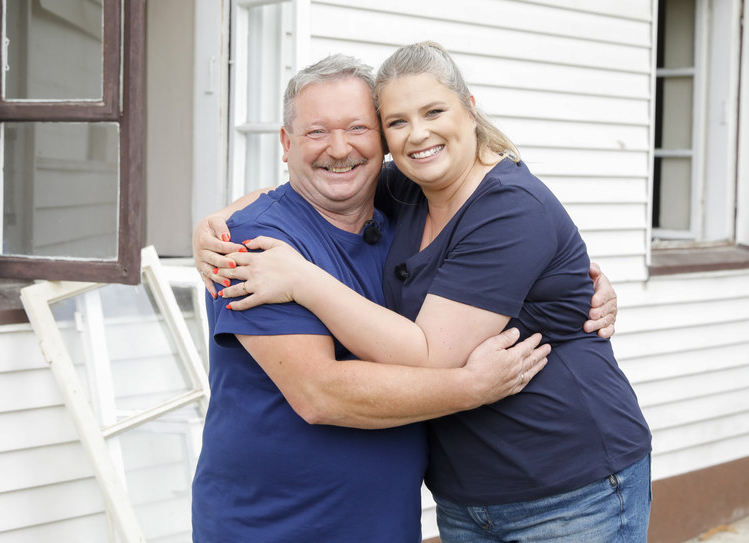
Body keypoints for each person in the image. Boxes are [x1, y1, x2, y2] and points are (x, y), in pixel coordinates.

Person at [205, 42, 650, 542]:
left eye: (357, 128)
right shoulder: (397, 197)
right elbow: (318, 392)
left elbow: (433, 353)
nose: (340, 147)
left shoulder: (499, 207)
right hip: (447, 499)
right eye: (397, 122)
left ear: (470, 108)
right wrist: (218, 224)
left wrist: (305, 281)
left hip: (565, 486)